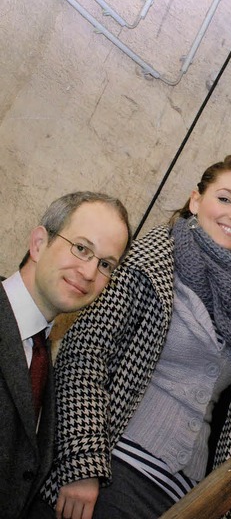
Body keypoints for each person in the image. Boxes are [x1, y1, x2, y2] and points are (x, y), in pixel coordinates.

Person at [31, 155, 231, 519]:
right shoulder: (150, 261)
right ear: (196, 200)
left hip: (187, 496)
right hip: (112, 470)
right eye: (225, 198)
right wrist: (82, 464)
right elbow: (83, 352)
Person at [1, 191, 131, 519]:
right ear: (39, 243)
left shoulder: (43, 358)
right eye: (81, 248)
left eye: (105, 265)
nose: (89, 273)